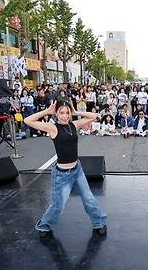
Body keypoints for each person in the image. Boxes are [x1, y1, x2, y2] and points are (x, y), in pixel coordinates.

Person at [24, 100, 108, 238]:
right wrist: (46, 111)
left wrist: (76, 112)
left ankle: (99, 223)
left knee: (89, 199)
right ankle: (44, 225)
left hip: (77, 170)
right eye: (61, 113)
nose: (65, 116)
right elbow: (27, 120)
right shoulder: (52, 128)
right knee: (58, 206)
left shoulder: (74, 125)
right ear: (56, 113)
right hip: (61, 175)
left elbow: (94, 116)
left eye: (67, 113)